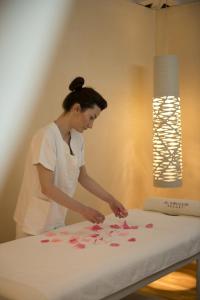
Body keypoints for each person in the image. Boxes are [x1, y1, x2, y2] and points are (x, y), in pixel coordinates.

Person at [14, 77, 128, 238]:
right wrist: (84, 210)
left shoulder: (77, 138)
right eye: (91, 117)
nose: (91, 125)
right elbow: (47, 187)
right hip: (33, 224)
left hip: (57, 220)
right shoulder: (46, 136)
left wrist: (111, 200)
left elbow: (84, 177)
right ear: (76, 108)